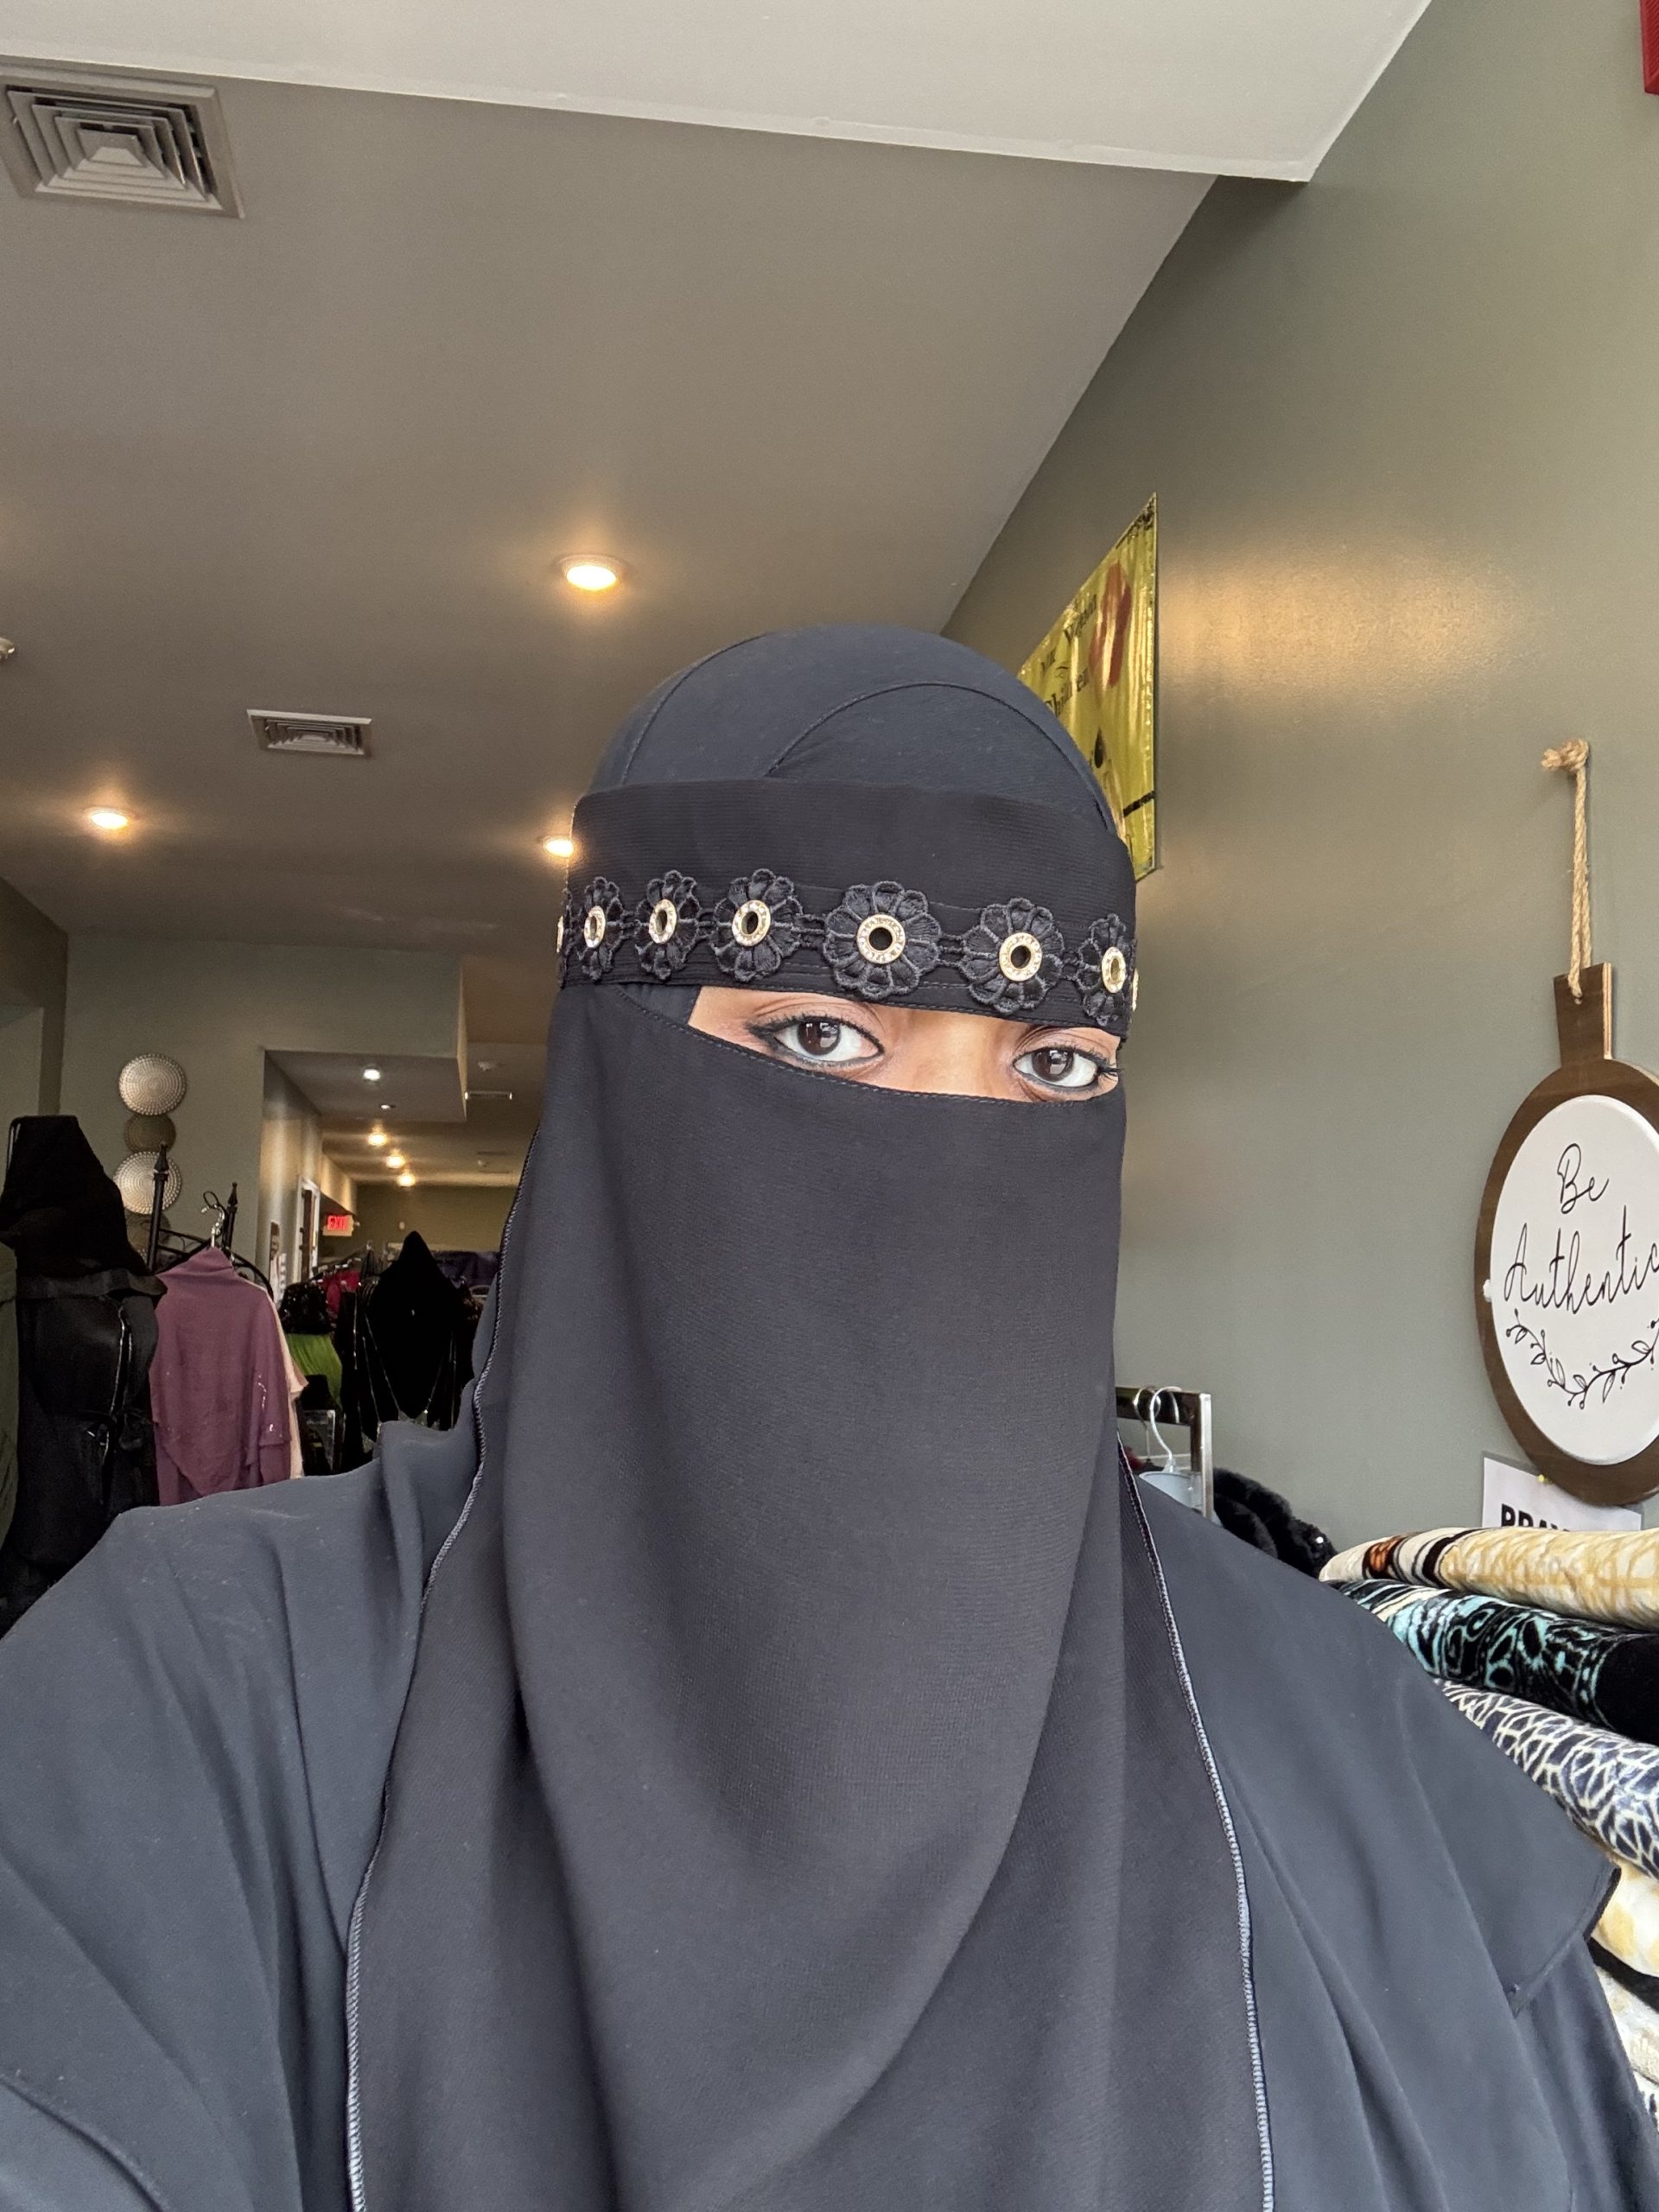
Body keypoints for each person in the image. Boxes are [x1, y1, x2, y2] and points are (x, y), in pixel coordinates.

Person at [0, 626, 1654, 2212]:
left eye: (1054, 1066)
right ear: (620, 1072)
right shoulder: (199, 1699)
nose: (950, 1162)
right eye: (821, 1030)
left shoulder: (1347, 1747)